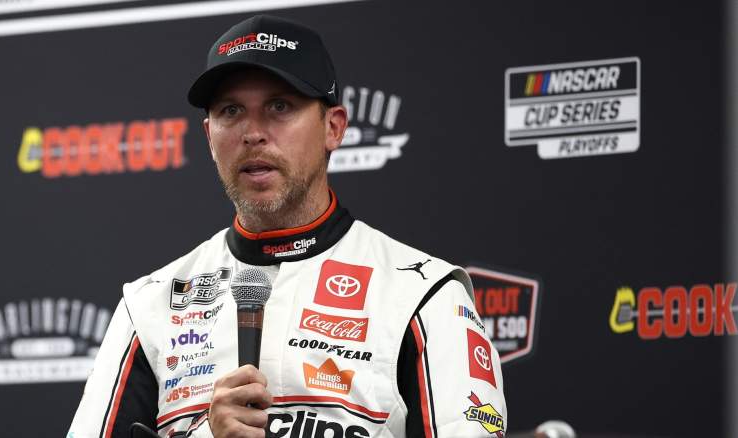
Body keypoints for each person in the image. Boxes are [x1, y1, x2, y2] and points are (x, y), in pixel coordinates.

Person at [68, 14, 506, 438]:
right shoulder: (149, 306)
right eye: (231, 111)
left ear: (333, 128)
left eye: (280, 106)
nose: (252, 133)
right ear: (208, 136)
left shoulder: (424, 296)